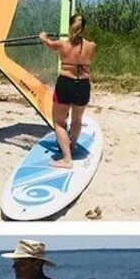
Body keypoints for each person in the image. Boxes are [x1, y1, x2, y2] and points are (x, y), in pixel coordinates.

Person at [39, 13, 97, 168]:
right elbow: (81, 48)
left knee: (58, 122)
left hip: (66, 84)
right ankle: (72, 145)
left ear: (69, 26)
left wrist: (43, 37)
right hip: (83, 85)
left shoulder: (62, 45)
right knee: (77, 120)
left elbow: (48, 43)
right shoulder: (92, 45)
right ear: (84, 28)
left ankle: (67, 159)